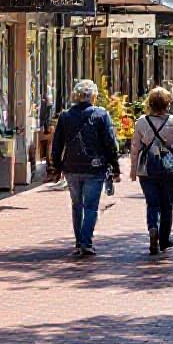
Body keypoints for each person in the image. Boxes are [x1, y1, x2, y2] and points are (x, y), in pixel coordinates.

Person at [49, 79, 121, 256]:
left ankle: (79, 241)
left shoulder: (65, 116)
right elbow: (110, 143)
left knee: (77, 205)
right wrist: (115, 165)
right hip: (94, 167)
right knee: (90, 206)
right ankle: (85, 242)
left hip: (71, 167)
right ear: (94, 97)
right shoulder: (101, 115)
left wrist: (56, 167)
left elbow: (57, 144)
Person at [130, 86, 173, 254]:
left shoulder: (142, 121)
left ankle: (152, 228)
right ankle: (164, 239)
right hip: (169, 169)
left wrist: (133, 170)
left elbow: (135, 147)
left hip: (147, 169)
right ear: (167, 103)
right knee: (167, 205)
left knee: (152, 203)